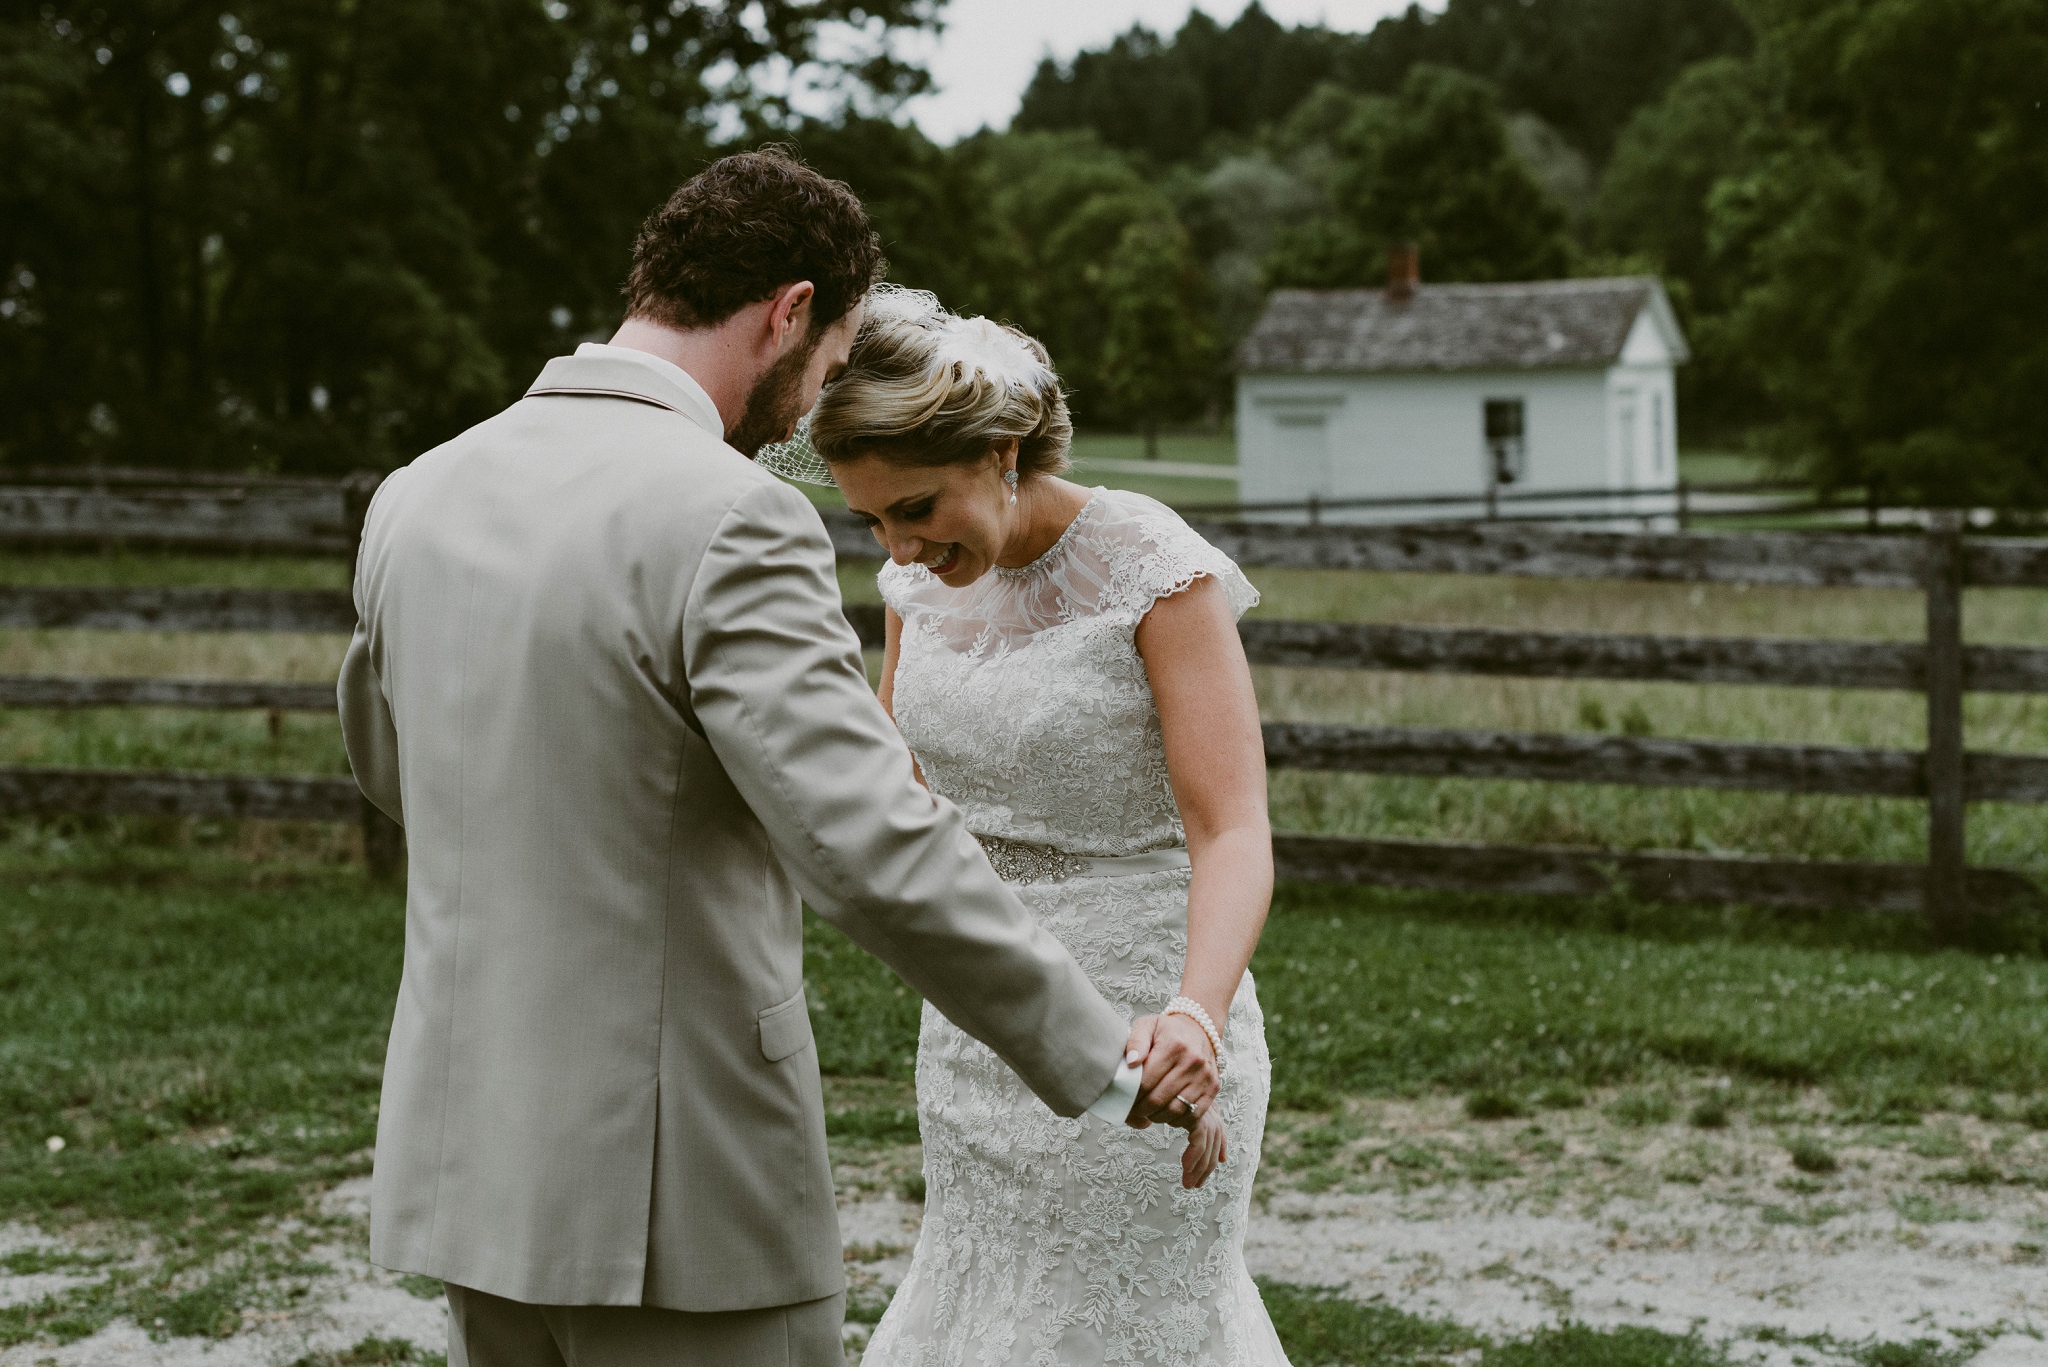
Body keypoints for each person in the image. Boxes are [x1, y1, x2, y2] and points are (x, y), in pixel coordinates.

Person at [337, 151, 1215, 1367]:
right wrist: (1099, 1057)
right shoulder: (732, 516)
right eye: (836, 354)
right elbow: (870, 845)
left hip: (469, 1169)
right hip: (675, 1185)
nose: (814, 409)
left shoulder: (415, 497)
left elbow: (399, 768)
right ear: (790, 310)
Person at [767, 287, 1292, 1365]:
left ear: (1001, 451)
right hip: (976, 1024)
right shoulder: (915, 590)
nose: (900, 546)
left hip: (1151, 1022)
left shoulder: (1150, 564)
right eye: (872, 519)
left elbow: (1231, 827)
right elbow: (887, 797)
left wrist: (1193, 1010)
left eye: (916, 507)